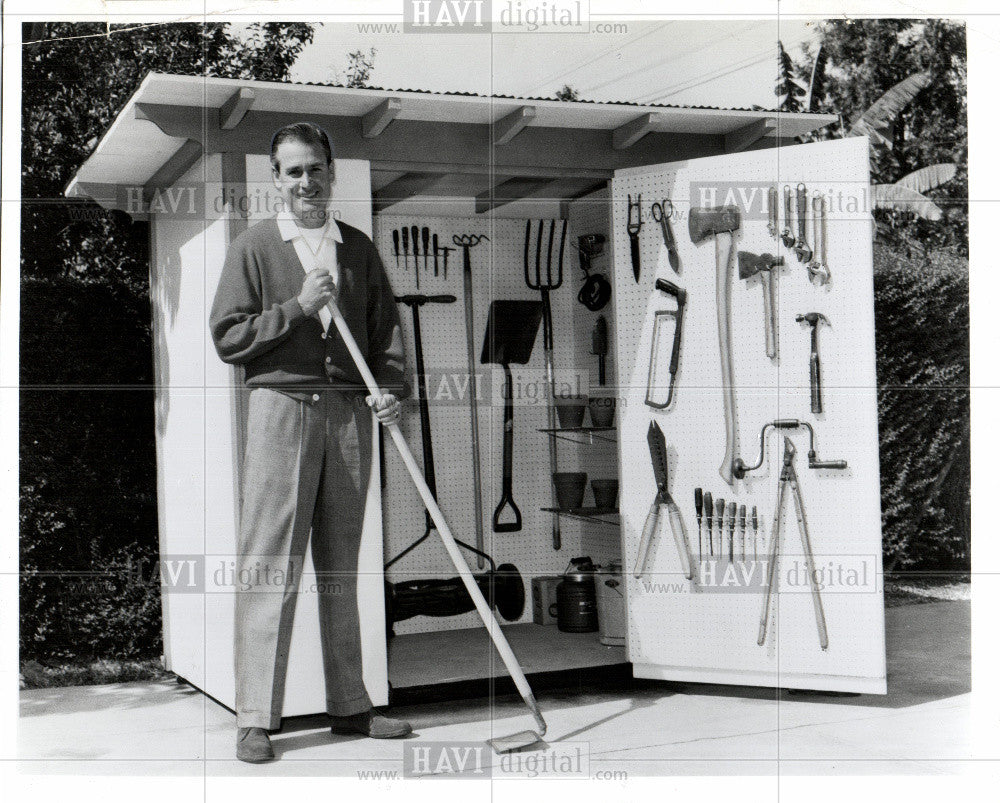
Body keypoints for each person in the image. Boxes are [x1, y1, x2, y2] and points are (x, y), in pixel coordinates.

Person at [210, 122, 412, 763]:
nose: (306, 181)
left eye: (315, 169)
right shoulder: (255, 247)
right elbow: (228, 338)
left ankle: (351, 706)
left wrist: (390, 388)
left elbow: (387, 339)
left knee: (339, 567)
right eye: (293, 171)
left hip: (351, 415)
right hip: (280, 410)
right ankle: (254, 720)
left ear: (332, 174)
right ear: (277, 179)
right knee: (269, 565)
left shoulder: (358, 250)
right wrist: (297, 306)